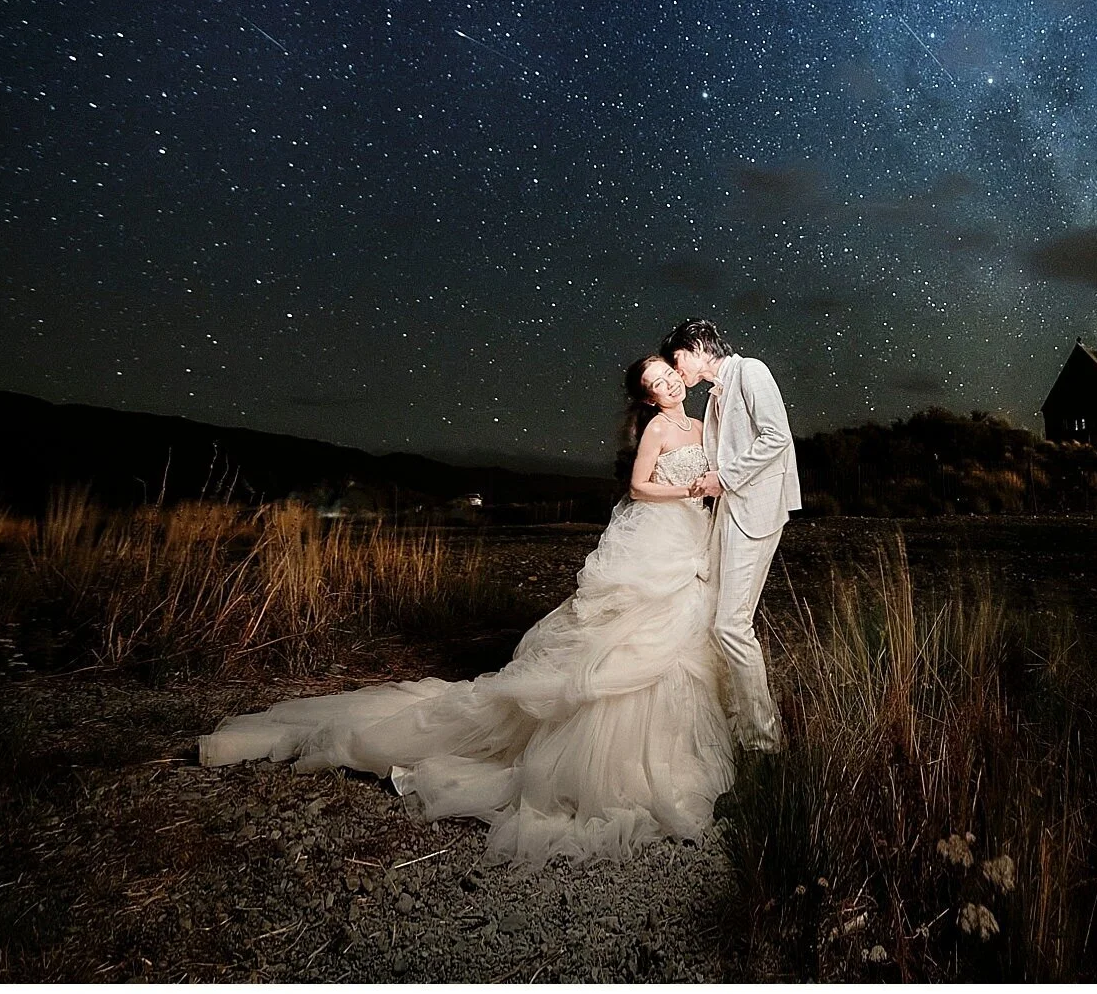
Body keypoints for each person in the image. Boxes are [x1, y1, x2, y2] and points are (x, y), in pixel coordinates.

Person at [197, 355, 733, 867]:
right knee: (624, 640)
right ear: (647, 399)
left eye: (669, 377)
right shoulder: (659, 431)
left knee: (681, 636)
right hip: (656, 537)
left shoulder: (702, 422)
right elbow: (639, 487)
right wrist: (688, 487)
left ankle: (671, 747)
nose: (669, 387)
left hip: (690, 538)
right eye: (657, 385)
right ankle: (603, 762)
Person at [661, 318, 799, 753]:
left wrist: (726, 478)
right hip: (729, 512)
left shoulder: (751, 371)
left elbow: (777, 436)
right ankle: (735, 723)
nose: (675, 368)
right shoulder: (714, 396)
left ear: (700, 347)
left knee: (732, 626)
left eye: (677, 357)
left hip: (755, 511)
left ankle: (763, 740)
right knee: (715, 619)